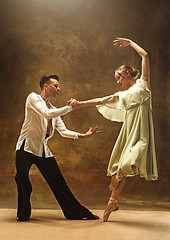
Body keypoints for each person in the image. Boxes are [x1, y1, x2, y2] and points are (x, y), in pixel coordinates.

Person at [68, 37, 158, 222]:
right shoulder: (121, 95)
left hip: (142, 133)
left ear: (126, 73)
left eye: (118, 78)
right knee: (123, 164)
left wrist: (131, 42)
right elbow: (100, 100)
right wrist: (79, 104)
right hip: (129, 132)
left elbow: (145, 55)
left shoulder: (144, 83)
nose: (117, 82)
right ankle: (112, 202)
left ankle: (116, 178)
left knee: (131, 163)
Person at [15, 74, 101, 221]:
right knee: (22, 179)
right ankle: (23, 213)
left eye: (59, 86)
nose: (59, 89)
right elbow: (46, 113)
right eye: (56, 86)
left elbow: (64, 131)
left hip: (42, 150)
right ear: (46, 86)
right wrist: (69, 108)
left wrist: (83, 136)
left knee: (59, 183)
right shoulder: (33, 98)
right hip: (25, 148)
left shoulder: (54, 109)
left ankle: (76, 213)